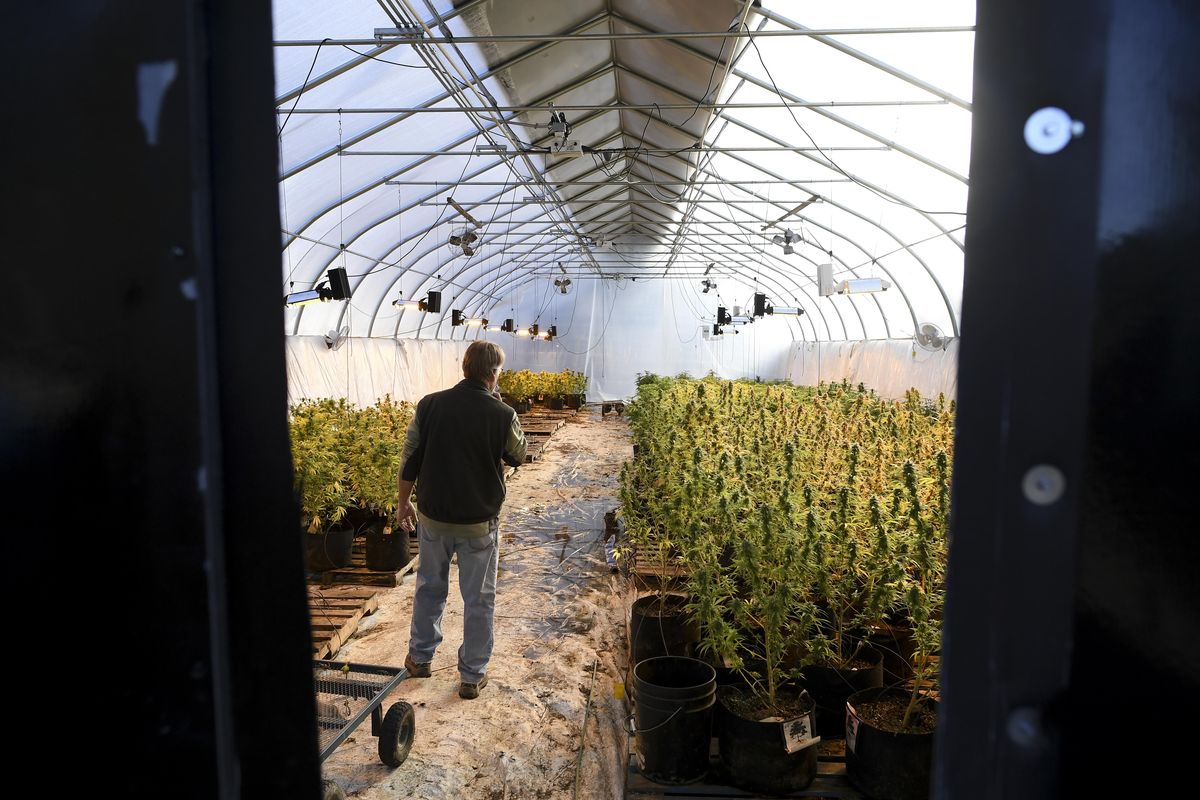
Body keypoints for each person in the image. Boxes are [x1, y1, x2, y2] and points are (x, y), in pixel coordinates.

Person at [396, 341, 526, 699]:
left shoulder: (430, 405)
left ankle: (420, 658)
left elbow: (410, 458)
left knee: (428, 587)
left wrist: (403, 502)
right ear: (493, 373)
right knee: (479, 598)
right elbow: (518, 455)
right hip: (478, 523)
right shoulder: (503, 414)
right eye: (499, 371)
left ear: (465, 367)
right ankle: (471, 676)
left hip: (433, 519)